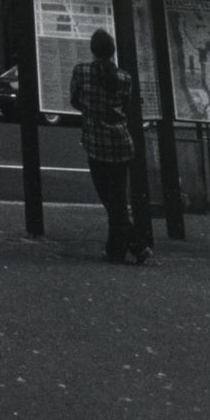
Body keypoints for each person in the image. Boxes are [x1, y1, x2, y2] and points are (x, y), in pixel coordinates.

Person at [69, 28, 150, 264]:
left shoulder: (81, 71)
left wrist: (89, 109)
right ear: (113, 51)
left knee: (109, 199)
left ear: (93, 50)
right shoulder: (125, 78)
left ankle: (137, 245)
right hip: (121, 143)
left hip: (96, 142)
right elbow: (124, 106)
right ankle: (116, 249)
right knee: (117, 200)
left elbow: (75, 100)